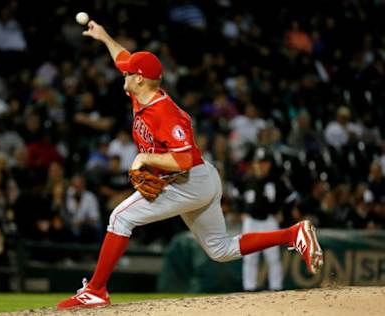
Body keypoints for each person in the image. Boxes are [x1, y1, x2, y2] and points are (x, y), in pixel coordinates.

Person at [57, 20, 324, 309]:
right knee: (221, 250)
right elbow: (124, 57)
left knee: (120, 218)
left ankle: (96, 290)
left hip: (187, 181)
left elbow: (183, 160)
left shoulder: (165, 113)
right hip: (201, 179)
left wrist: (145, 158)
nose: (124, 71)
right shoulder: (139, 92)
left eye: (130, 72)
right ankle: (293, 234)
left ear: (140, 79)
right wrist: (104, 36)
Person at [232, 147, 298, 291]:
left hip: (269, 221)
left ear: (269, 164)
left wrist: (283, 214)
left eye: (264, 163)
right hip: (250, 222)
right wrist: (240, 212)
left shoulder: (276, 181)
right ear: (254, 164)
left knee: (273, 257)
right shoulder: (246, 180)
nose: (261, 166)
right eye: (258, 162)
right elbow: (235, 195)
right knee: (250, 257)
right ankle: (249, 288)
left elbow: (291, 197)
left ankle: (276, 287)